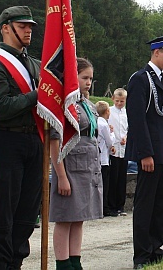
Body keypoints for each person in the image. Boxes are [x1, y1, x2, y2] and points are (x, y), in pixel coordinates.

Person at [0, 6, 42, 270]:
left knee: (27, 213)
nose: (28, 30)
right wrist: (37, 96)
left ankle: (15, 263)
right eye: (22, 25)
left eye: (30, 26)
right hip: (6, 142)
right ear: (6, 27)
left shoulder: (33, 63)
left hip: (33, 141)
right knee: (3, 212)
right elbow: (0, 108)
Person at [125, 35, 163, 269]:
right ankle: (142, 254)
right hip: (150, 153)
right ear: (156, 52)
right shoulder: (140, 79)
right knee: (146, 204)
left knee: (162, 203)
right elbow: (138, 119)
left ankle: (156, 247)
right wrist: (145, 153)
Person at [50, 58, 103, 270]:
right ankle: (62, 263)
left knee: (79, 217)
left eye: (90, 78)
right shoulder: (65, 104)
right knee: (65, 217)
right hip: (70, 166)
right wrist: (61, 175)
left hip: (88, 167)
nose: (88, 82)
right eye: (84, 77)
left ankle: (75, 260)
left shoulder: (88, 105)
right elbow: (55, 141)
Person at [108, 88, 128, 216]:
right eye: (117, 101)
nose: (119, 103)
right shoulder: (109, 111)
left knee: (122, 179)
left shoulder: (127, 113)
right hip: (113, 148)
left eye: (122, 101)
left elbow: (128, 128)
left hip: (124, 149)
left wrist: (126, 137)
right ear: (113, 100)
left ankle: (121, 205)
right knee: (113, 179)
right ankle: (111, 206)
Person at [95, 101, 116, 217]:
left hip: (97, 157)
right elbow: (110, 142)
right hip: (103, 159)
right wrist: (112, 132)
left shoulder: (96, 122)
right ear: (107, 111)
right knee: (104, 185)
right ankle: (104, 208)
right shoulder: (104, 125)